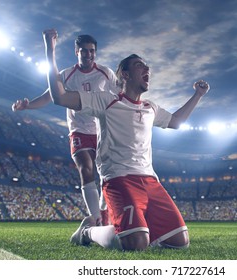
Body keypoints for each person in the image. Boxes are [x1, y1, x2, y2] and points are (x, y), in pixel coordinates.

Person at [42, 28, 210, 250]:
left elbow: (176, 121)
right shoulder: (106, 101)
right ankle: (87, 231)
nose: (147, 68)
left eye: (146, 65)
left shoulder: (151, 107)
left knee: (180, 242)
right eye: (140, 65)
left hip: (150, 180)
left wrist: (197, 95)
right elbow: (60, 97)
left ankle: (134, 227)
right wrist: (49, 49)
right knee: (135, 244)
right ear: (126, 75)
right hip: (119, 179)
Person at [12, 34, 119, 226]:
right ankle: (95, 219)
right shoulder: (67, 74)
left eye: (92, 51)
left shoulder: (106, 73)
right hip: (78, 130)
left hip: (102, 130)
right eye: (84, 51)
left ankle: (105, 216)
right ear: (76, 52)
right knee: (85, 168)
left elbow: (120, 96)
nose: (89, 55)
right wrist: (27, 106)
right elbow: (49, 97)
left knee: (106, 175)